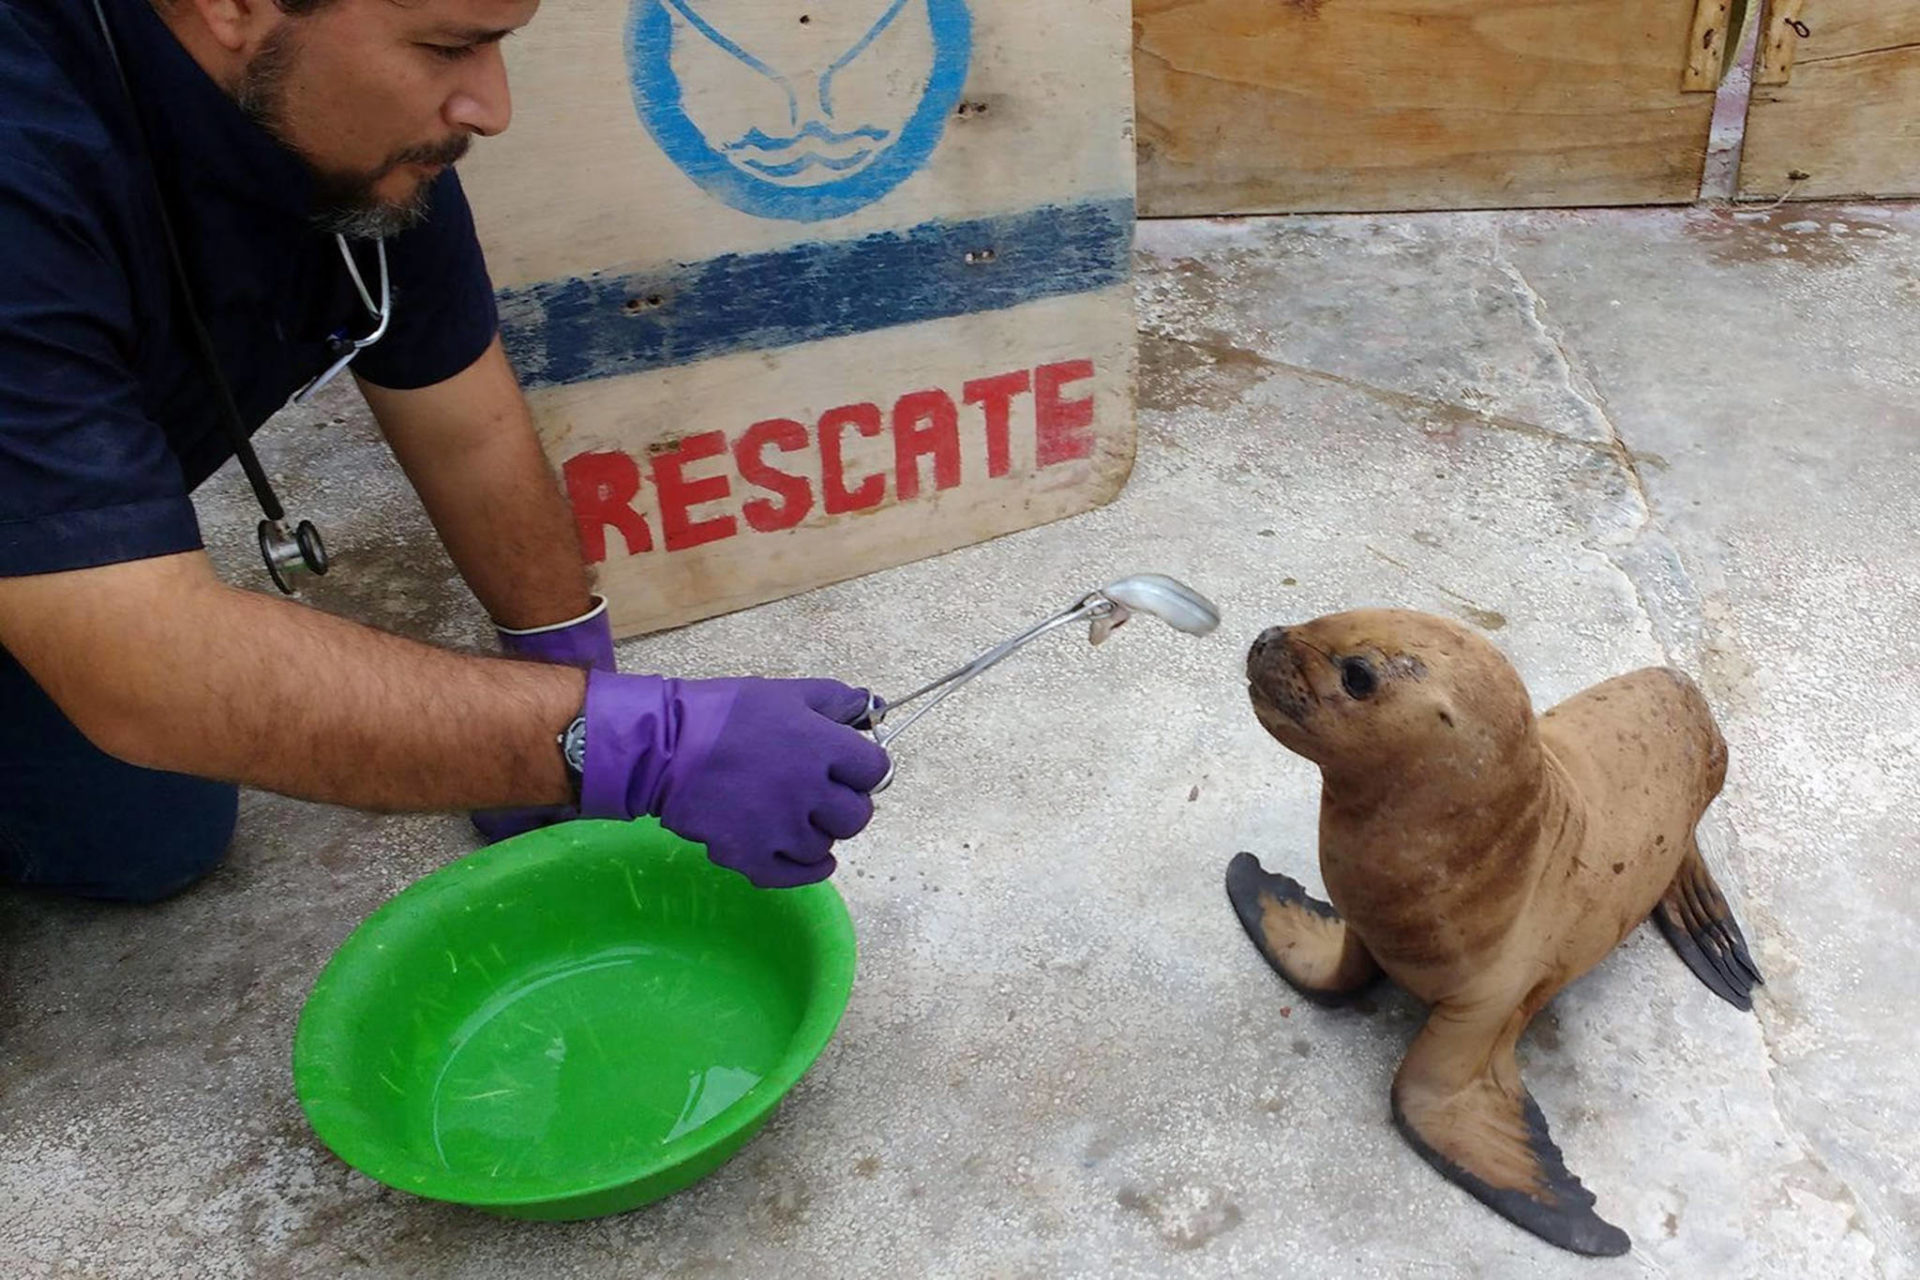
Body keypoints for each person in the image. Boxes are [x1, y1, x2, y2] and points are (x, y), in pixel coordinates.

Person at [0, 0, 891, 903]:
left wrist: (569, 684)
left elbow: (470, 429)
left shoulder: (345, 130)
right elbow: (143, 673)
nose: (492, 108)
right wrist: (634, 744)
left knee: (153, 834)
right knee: (136, 820)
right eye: (448, 48)